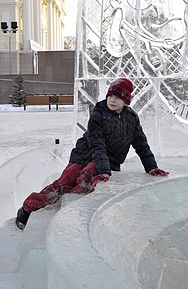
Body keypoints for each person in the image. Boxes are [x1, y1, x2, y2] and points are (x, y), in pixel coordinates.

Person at [15, 78, 169, 230]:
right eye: (110, 96)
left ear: (126, 101)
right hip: (83, 155)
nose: (112, 100)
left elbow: (141, 144)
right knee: (62, 184)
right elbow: (97, 144)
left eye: (117, 97)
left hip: (108, 161)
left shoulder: (132, 118)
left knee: (86, 178)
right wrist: (103, 170)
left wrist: (151, 167)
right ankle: (27, 208)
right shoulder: (99, 115)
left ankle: (68, 213)